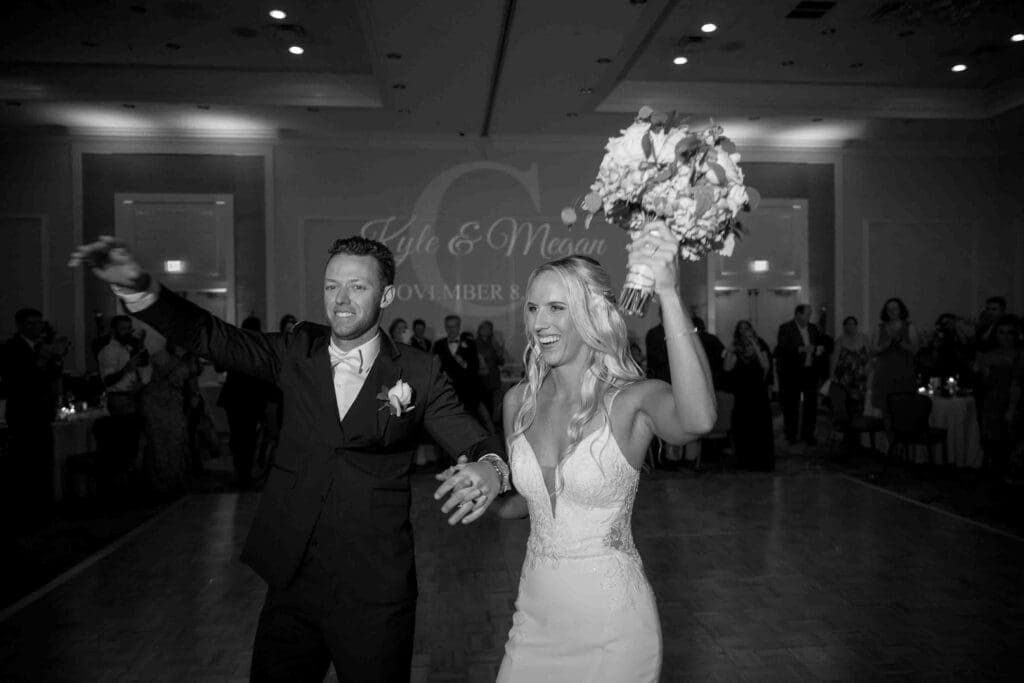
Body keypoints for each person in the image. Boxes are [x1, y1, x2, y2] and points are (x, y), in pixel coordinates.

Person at [70, 235, 507, 682]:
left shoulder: (418, 371)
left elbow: (475, 440)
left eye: (357, 286)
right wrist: (141, 288)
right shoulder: (296, 349)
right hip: (292, 579)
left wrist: (490, 468)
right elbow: (210, 335)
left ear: (387, 295)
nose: (340, 299)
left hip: (374, 584)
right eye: (332, 286)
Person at [454, 225, 715, 681]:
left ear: (593, 314)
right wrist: (488, 487)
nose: (539, 322)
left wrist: (669, 295)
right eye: (533, 308)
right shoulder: (518, 402)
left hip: (613, 628)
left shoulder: (632, 400)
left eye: (557, 308)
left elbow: (698, 420)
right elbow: (530, 506)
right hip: (534, 619)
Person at [0, 308, 61, 513]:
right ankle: (28, 510)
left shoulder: (40, 347)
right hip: (24, 414)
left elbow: (51, 377)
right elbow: (20, 382)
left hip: (42, 412)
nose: (36, 327)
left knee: (44, 461)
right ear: (20, 326)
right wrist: (42, 361)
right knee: (27, 463)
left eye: (39, 323)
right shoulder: (12, 348)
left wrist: (56, 359)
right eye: (31, 323)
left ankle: (43, 507)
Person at [217, 316, 275, 491]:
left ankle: (241, 473)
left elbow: (219, 366)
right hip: (252, 398)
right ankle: (245, 474)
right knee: (248, 438)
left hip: (236, 397)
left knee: (238, 437)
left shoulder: (236, 344)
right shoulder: (261, 346)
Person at [139, 341, 201, 498]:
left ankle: (172, 482)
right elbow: (148, 378)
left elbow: (192, 380)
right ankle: (161, 484)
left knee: (175, 441)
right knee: (159, 443)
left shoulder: (189, 359)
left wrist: (193, 396)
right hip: (157, 402)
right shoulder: (161, 357)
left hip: (173, 402)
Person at [973, 315, 1023, 473]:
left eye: (1009, 332)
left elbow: (1016, 383)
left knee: (1011, 442)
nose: (1005, 337)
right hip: (992, 402)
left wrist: (1012, 408)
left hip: (1012, 401)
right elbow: (985, 381)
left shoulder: (1019, 355)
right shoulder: (991, 354)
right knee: (992, 442)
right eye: (1001, 332)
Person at [724, 320, 775, 471]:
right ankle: (744, 461)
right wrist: (730, 351)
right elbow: (727, 368)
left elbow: (765, 367)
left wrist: (755, 347)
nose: (747, 338)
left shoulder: (762, 352)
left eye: (750, 335)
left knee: (760, 429)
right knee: (743, 429)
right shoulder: (736, 354)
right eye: (744, 335)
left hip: (759, 397)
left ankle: (761, 462)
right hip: (742, 397)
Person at [776, 304, 825, 444]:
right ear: (798, 314)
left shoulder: (813, 328)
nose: (809, 317)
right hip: (792, 372)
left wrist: (818, 350)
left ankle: (808, 434)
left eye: (810, 314)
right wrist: (801, 349)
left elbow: (819, 343)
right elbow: (782, 348)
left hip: (810, 371)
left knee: (810, 404)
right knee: (791, 404)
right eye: (807, 314)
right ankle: (791, 434)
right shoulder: (786, 328)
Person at [870, 297, 920, 420]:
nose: (892, 312)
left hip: (904, 373)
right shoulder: (879, 327)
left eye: (895, 309)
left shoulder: (909, 326)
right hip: (884, 374)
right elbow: (873, 350)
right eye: (889, 309)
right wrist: (885, 345)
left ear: (900, 310)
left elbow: (915, 350)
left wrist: (901, 343)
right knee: (885, 409)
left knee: (904, 409)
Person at [433, 315, 482, 414]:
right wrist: (442, 374)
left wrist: (463, 363)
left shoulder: (470, 343)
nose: (451, 329)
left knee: (469, 415)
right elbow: (435, 366)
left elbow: (475, 367)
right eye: (448, 326)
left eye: (454, 326)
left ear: (459, 326)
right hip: (446, 389)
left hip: (467, 389)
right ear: (445, 327)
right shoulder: (438, 344)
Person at [832, 315, 871, 414]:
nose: (851, 326)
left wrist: (869, 369)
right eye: (848, 324)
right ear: (844, 326)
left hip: (861, 375)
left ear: (856, 326)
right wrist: (832, 374)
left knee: (860, 400)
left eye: (853, 324)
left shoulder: (863, 338)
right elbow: (834, 359)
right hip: (845, 376)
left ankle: (858, 419)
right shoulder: (840, 340)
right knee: (846, 400)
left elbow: (870, 356)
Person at [476, 320, 506, 428]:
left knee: (492, 404)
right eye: (485, 328)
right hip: (481, 379)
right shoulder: (474, 343)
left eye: (489, 328)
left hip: (493, 379)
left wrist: (500, 353)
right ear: (480, 329)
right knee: (483, 405)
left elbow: (500, 362)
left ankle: (491, 427)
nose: (487, 330)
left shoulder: (493, 343)